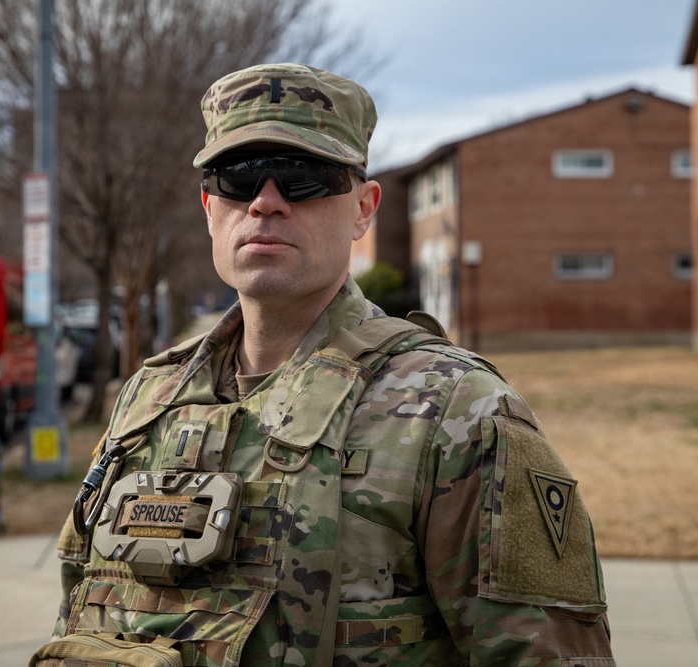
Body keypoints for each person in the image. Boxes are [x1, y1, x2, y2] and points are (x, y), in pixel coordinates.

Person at [35, 63, 615, 667]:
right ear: (210, 207)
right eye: (238, 178)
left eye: (303, 177)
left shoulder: (454, 409)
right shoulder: (148, 399)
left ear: (364, 209)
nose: (265, 202)